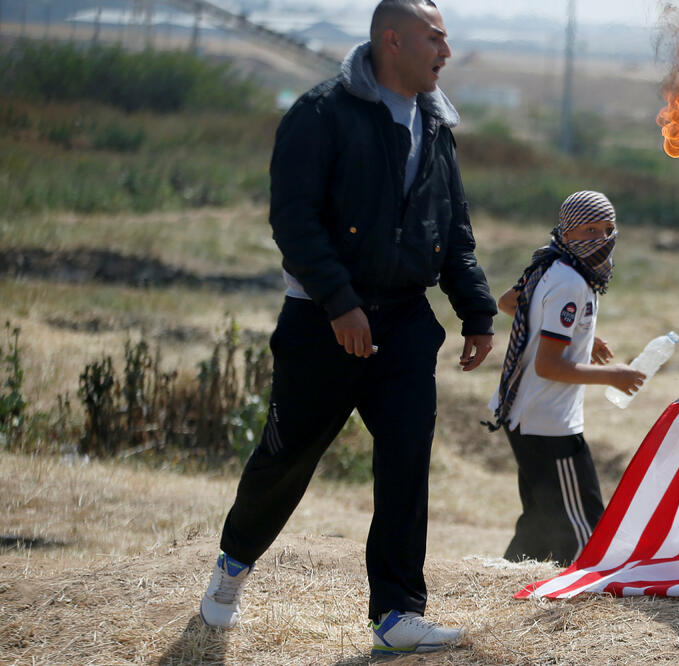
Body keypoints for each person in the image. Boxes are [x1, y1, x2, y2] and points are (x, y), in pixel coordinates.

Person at [199, 1, 497, 658]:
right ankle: (233, 565)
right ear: (393, 41)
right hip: (319, 323)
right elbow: (294, 219)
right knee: (286, 457)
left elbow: (453, 232)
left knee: (405, 464)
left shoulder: (437, 123)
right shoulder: (321, 113)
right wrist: (338, 302)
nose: (446, 52)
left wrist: (475, 311)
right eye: (434, 38)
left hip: (404, 327)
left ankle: (397, 613)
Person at [487, 191, 646, 566]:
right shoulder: (570, 281)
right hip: (548, 424)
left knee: (541, 524)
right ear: (567, 231)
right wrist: (613, 376)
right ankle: (574, 607)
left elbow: (510, 302)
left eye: (608, 229)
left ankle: (506, 590)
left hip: (526, 416)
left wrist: (576, 335)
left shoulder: (553, 263)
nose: (601, 238)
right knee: (584, 531)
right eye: (589, 229)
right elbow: (549, 367)